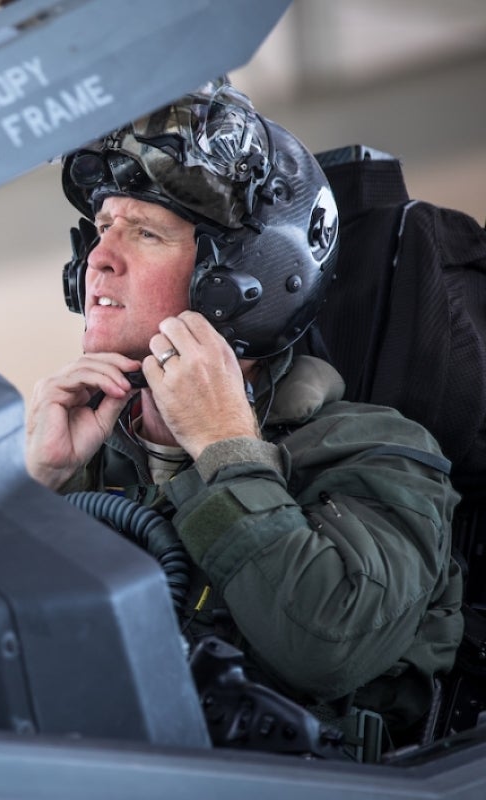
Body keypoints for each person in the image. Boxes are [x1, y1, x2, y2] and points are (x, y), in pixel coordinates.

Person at [25, 80, 463, 752]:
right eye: (102, 229)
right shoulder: (88, 459)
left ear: (236, 282)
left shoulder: (376, 452)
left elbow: (325, 645)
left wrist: (224, 448)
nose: (99, 260)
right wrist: (33, 491)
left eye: (145, 233)